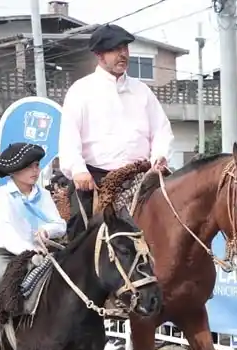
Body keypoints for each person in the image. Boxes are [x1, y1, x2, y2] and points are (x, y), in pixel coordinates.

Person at [59, 23, 173, 222]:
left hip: (142, 177)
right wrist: (78, 170)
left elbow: (161, 130)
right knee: (79, 234)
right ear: (99, 55)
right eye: (115, 50)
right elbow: (68, 138)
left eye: (125, 48)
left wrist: (159, 156)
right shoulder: (81, 90)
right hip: (95, 180)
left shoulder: (142, 91)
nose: (123, 54)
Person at [0, 143, 67, 350]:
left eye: (37, 166)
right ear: (15, 170)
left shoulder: (43, 195)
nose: (36, 171)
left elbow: (60, 224)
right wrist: (29, 251)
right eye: (30, 166)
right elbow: (7, 229)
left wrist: (47, 231)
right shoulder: (3, 195)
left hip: (41, 251)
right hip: (6, 251)